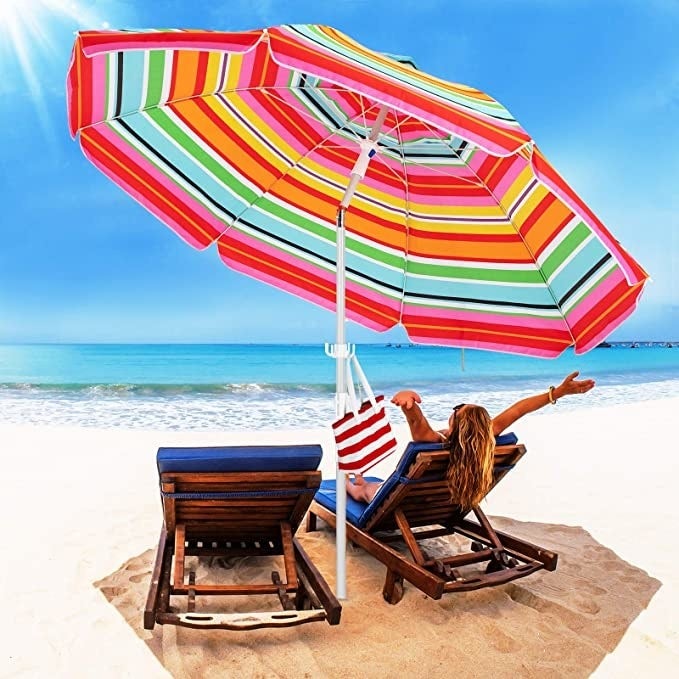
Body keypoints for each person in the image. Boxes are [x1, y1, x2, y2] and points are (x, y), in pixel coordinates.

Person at [346, 371, 595, 509]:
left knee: (364, 491)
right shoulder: (485, 442)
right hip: (439, 503)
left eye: (458, 408)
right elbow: (519, 410)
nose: (456, 408)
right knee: (367, 484)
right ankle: (357, 479)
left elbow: (417, 425)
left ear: (455, 425)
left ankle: (348, 484)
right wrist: (558, 393)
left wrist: (408, 404)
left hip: (401, 502)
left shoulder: (438, 444)